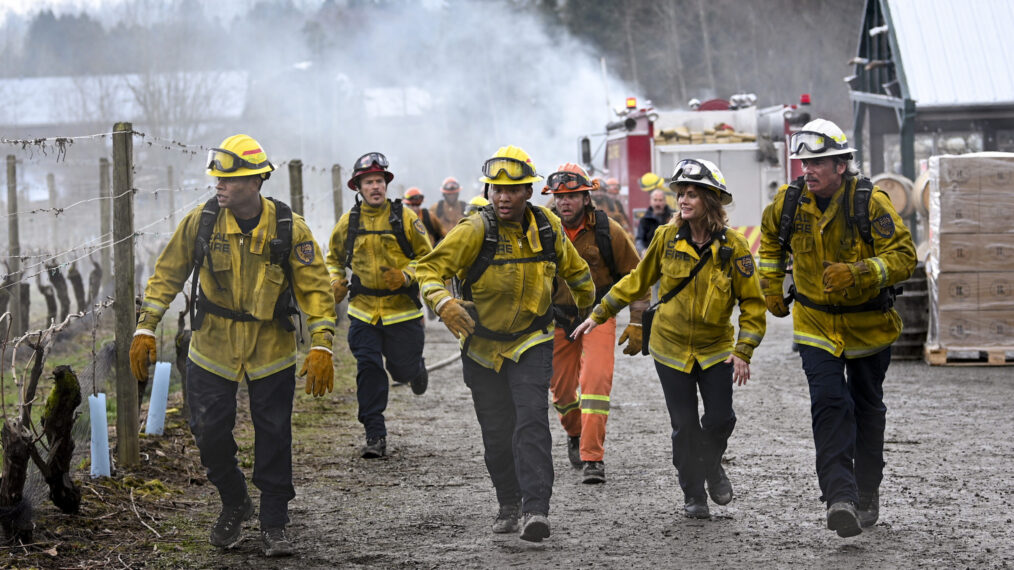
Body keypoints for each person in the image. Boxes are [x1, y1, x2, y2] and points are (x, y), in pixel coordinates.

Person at [129, 134, 336, 556]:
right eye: (217, 177)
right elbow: (167, 273)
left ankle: (275, 521)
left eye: (229, 178)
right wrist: (146, 326)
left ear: (255, 181)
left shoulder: (289, 229)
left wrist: (323, 343)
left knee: (274, 433)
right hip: (212, 347)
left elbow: (316, 290)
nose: (218, 184)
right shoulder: (201, 222)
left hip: (271, 348)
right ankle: (235, 500)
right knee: (206, 429)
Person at [414, 145, 594, 543]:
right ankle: (508, 502)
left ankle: (536, 510)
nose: (502, 196)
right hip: (481, 346)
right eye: (496, 189)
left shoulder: (547, 227)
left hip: (533, 339)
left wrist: (585, 313)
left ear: (528, 191)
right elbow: (427, 269)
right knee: (497, 432)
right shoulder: (475, 229)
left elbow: (578, 273)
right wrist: (443, 303)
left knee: (531, 421)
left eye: (512, 189)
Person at [573, 158, 766, 520]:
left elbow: (753, 303)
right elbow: (636, 281)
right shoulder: (665, 238)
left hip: (715, 350)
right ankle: (694, 494)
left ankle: (711, 467)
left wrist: (744, 350)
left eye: (692, 194)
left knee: (722, 418)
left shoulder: (735, 247)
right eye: (682, 193)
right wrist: (599, 313)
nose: (683, 200)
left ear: (710, 200)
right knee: (685, 426)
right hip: (670, 347)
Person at [757, 119, 915, 538]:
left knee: (866, 410)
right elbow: (770, 238)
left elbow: (904, 257)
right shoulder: (789, 203)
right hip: (815, 325)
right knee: (829, 406)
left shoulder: (871, 203)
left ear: (840, 165)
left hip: (869, 327)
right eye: (804, 162)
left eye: (818, 163)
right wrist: (771, 285)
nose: (808, 170)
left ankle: (867, 493)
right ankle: (840, 498)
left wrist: (860, 272)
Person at [326, 152, 433, 459]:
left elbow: (430, 259)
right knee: (369, 368)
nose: (375, 187)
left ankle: (415, 369)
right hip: (363, 311)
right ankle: (375, 434)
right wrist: (335, 280)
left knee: (401, 370)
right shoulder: (349, 223)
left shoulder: (405, 218)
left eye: (379, 181)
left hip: (403, 312)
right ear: (358, 187)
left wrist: (407, 276)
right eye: (368, 182)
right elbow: (333, 258)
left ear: (387, 184)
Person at [543, 164, 645, 484]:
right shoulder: (541, 229)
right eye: (560, 197)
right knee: (560, 393)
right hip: (556, 317)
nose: (565, 202)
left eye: (573, 195)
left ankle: (592, 458)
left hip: (597, 315)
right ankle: (574, 433)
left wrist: (638, 321)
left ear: (587, 197)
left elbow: (636, 277)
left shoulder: (608, 230)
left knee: (596, 384)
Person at [635, 188, 674, 254]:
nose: (657, 203)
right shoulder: (644, 220)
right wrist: (643, 251)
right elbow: (639, 240)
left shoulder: (673, 217)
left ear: (665, 201)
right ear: (651, 201)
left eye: (660, 200)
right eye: (655, 200)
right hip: (651, 256)